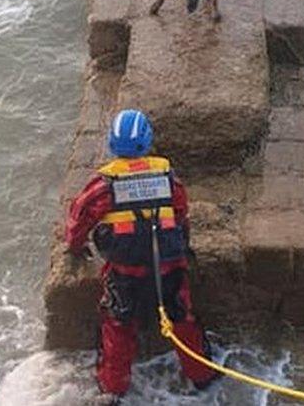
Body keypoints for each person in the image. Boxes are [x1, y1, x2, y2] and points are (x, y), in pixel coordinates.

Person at [65, 109, 219, 401]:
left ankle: (113, 389)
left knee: (119, 326)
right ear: (148, 141)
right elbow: (181, 213)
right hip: (169, 266)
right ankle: (202, 378)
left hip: (126, 272)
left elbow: (79, 217)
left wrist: (74, 247)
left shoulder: (104, 185)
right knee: (182, 320)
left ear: (112, 144)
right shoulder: (168, 177)